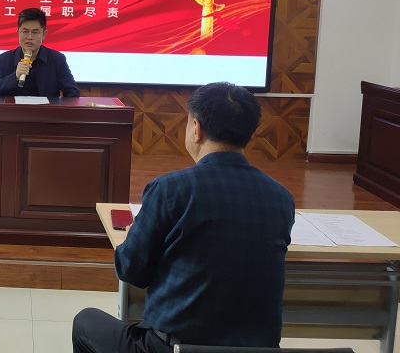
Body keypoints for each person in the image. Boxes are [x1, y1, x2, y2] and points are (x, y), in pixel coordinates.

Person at [72, 81, 295, 353]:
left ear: (196, 129)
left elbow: (131, 271)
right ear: (250, 133)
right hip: (258, 350)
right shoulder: (282, 198)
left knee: (85, 322)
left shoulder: (170, 190)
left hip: (174, 348)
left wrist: (131, 238)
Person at [0, 7, 79, 97]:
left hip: (46, 108)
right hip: (14, 108)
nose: (29, 37)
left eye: (35, 32)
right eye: (25, 32)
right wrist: (15, 76)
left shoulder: (57, 59)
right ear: (18, 32)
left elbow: (73, 93)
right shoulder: (4, 59)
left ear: (44, 34)